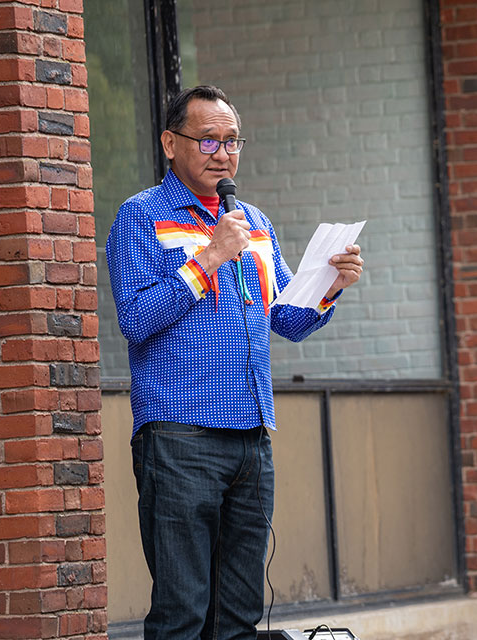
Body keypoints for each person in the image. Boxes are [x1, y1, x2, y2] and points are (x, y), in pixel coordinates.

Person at [106, 85, 364, 640]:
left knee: (239, 619)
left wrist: (331, 285)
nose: (222, 153)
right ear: (170, 144)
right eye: (207, 141)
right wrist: (211, 257)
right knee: (182, 615)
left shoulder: (254, 222)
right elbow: (136, 318)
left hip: (252, 438)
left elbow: (287, 320)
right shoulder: (140, 217)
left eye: (231, 141)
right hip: (180, 438)